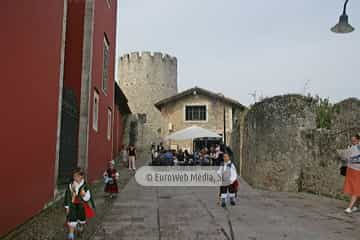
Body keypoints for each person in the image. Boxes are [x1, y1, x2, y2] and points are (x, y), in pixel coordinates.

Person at [64, 167, 95, 240]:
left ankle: (80, 227)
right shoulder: (71, 185)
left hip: (81, 206)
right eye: (74, 176)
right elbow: (67, 196)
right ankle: (71, 234)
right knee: (72, 219)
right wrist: (67, 207)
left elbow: (88, 197)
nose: (75, 178)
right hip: (73, 205)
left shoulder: (85, 186)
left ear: (81, 176)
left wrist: (84, 195)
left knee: (81, 219)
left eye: (77, 176)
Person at [344, 134, 360, 213]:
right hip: (351, 170)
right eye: (352, 140)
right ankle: (356, 206)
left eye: (354, 140)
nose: (353, 142)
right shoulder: (351, 147)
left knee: (356, 189)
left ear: (358, 140)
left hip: (358, 171)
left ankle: (350, 207)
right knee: (354, 188)